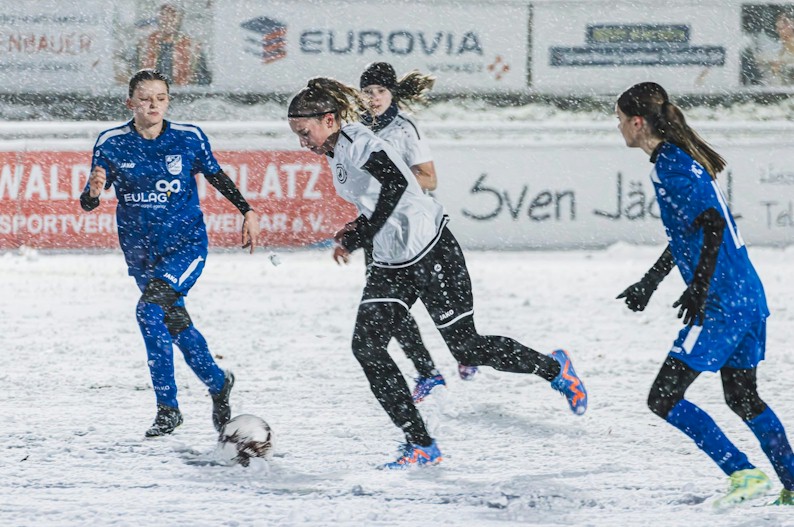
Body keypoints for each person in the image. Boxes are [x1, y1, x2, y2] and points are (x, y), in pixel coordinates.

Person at [287, 77, 587, 469]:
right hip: (393, 261)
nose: (302, 142)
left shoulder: (360, 142)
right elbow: (376, 197)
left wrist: (363, 232)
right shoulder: (336, 150)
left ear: (328, 119)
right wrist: (357, 225)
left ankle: (554, 367)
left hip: (432, 251)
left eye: (304, 132)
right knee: (367, 347)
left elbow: (398, 184)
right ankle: (421, 444)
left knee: (467, 349)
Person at [615, 81, 794, 507]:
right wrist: (651, 281)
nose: (618, 127)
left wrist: (697, 289)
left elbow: (712, 223)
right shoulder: (680, 159)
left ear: (638, 123)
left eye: (620, 120)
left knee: (664, 397)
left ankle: (743, 473)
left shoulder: (671, 167)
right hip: (747, 294)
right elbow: (690, 230)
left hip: (722, 303)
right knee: (743, 397)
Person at [80, 69, 260, 437]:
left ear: (168, 101)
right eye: (145, 99)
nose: (153, 105)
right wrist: (94, 194)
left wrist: (247, 210)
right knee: (174, 323)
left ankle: (168, 408)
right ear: (130, 103)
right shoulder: (112, 142)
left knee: (149, 312)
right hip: (140, 251)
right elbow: (88, 199)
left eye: (161, 98)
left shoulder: (188, 138)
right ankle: (217, 380)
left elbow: (217, 175)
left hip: (185, 246)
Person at [358, 61, 478, 401]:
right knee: (386, 307)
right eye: (368, 92)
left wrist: (391, 182)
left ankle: (467, 351)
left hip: (415, 232)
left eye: (380, 91)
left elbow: (429, 178)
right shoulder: (358, 130)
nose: (374, 98)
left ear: (392, 92)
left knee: (435, 301)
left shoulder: (404, 130)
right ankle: (427, 371)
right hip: (379, 231)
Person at [136, 3, 211, 86]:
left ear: (180, 18)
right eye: (163, 14)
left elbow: (203, 81)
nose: (168, 19)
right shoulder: (145, 46)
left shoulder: (192, 48)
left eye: (173, 15)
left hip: (182, 96)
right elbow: (131, 75)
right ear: (158, 17)